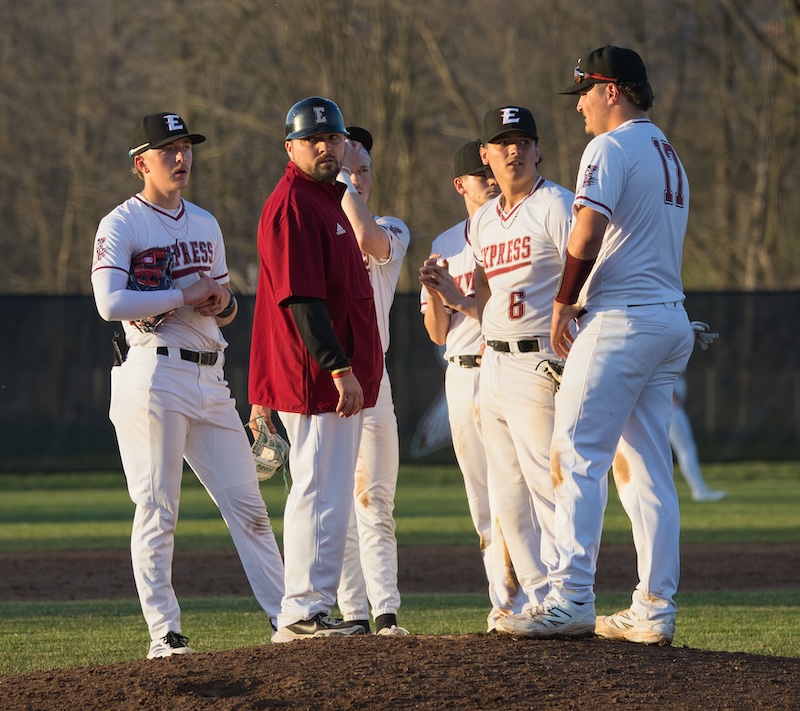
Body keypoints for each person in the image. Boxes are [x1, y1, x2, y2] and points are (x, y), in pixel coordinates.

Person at [497, 45, 695, 646]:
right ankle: (654, 607)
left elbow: (586, 231)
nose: (578, 103)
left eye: (584, 90)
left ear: (612, 90)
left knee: (574, 453)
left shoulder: (609, 147)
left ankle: (570, 598)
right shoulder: (667, 151)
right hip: (669, 319)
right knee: (649, 471)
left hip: (620, 322)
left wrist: (563, 301)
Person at [90, 112, 285, 659]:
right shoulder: (121, 224)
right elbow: (110, 303)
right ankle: (165, 634)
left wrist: (222, 302)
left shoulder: (204, 222)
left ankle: (288, 617)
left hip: (209, 374)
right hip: (154, 373)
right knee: (158, 508)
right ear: (141, 163)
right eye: (168, 150)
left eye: (186, 147)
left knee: (249, 506)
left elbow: (222, 306)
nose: (181, 158)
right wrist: (182, 295)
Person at [248, 98, 383, 642]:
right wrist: (339, 368)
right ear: (291, 148)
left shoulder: (327, 201)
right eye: (312, 140)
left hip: (330, 376)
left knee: (327, 489)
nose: (325, 147)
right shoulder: (294, 205)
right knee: (319, 489)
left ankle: (311, 609)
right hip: (316, 377)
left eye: (333, 138)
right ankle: (302, 612)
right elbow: (301, 300)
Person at [418, 139, 526, 631]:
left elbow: (508, 314)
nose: (491, 181)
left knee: (518, 489)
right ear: (461, 184)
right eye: (481, 177)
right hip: (461, 374)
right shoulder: (447, 244)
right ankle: (503, 602)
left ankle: (539, 594)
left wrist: (460, 299)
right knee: (481, 497)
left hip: (505, 367)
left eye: (491, 174)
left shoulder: (513, 233)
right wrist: (436, 293)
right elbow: (438, 334)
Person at [470, 108, 574, 613]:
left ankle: (566, 592)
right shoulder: (484, 219)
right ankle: (534, 594)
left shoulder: (555, 204)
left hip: (539, 360)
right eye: (503, 142)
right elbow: (487, 287)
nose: (514, 150)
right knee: (505, 488)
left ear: (537, 149)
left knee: (547, 482)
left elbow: (588, 272)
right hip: (493, 362)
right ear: (485, 154)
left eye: (524, 140)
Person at [334, 127, 411, 636]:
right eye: (348, 170)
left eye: (362, 170)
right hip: (325, 377)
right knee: (336, 504)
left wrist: (340, 181)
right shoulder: (315, 231)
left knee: (375, 500)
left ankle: (385, 612)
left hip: (373, 376)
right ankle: (351, 615)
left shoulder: (390, 226)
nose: (356, 179)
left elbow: (366, 237)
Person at [670, 374, 726, 502]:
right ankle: (699, 490)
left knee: (682, 449)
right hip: (669, 406)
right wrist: (671, 394)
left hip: (666, 406)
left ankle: (699, 490)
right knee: (686, 450)